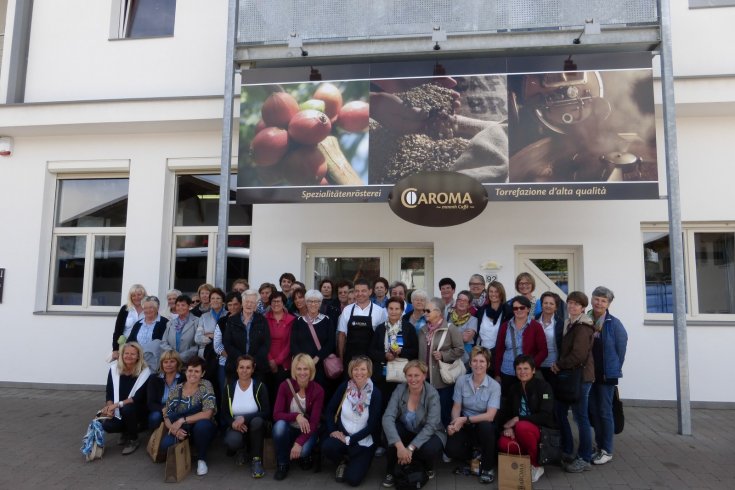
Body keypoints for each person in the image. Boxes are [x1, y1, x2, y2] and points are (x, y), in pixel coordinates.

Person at [381, 360, 445, 488]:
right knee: (387, 434)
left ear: (424, 376)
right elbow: (387, 417)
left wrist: (410, 448)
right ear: (405, 377)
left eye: (417, 375)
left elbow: (431, 426)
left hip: (430, 432)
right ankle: (391, 471)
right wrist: (399, 447)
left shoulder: (432, 394)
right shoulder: (400, 389)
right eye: (409, 375)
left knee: (428, 449)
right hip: (407, 429)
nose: (413, 379)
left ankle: (425, 466)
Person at [550, 291, 595, 473]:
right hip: (570, 376)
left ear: (583, 307)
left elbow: (579, 355)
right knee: (560, 412)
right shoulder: (570, 323)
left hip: (580, 377)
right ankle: (567, 449)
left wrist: (559, 365)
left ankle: (584, 457)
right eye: (570, 303)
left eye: (577, 304)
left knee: (580, 417)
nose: (572, 306)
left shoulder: (583, 326)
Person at [322, 357, 383, 486]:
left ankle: (359, 461)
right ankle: (342, 461)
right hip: (343, 436)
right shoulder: (345, 387)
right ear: (351, 371)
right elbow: (330, 411)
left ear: (369, 371)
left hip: (363, 441)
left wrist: (350, 439)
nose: (359, 373)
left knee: (353, 480)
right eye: (356, 369)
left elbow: (372, 426)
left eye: (363, 369)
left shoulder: (375, 393)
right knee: (327, 447)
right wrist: (333, 430)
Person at [446, 347, 501, 484]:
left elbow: (490, 416)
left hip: (483, 424)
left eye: (482, 361)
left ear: (488, 364)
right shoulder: (461, 381)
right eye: (474, 361)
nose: (478, 364)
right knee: (451, 450)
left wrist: (465, 419)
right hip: (465, 424)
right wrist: (454, 423)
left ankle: (488, 468)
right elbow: (456, 407)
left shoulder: (494, 386)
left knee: (486, 427)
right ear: (470, 363)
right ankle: (473, 457)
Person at [497, 355, 555, 484]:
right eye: (519, 369)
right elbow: (507, 413)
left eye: (526, 368)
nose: (522, 372)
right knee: (503, 443)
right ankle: (525, 459)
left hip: (541, 430)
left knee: (522, 426)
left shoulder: (544, 387)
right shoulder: (514, 389)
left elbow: (545, 415)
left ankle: (536, 465)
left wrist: (518, 419)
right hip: (520, 430)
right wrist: (509, 428)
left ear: (533, 370)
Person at [588, 286, 628, 466]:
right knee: (594, 411)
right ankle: (599, 445)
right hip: (589, 374)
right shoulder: (585, 319)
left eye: (603, 301)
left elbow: (621, 350)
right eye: (597, 299)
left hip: (606, 375)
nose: (599, 303)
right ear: (592, 299)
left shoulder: (614, 324)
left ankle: (608, 449)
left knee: (605, 412)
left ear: (609, 304)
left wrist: (613, 369)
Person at [161, 357, 218, 476]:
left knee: (202, 426)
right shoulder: (176, 389)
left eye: (197, 371)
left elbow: (207, 414)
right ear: (186, 372)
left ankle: (202, 459)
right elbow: (167, 415)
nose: (192, 374)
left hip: (200, 425)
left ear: (202, 373)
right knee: (166, 446)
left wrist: (183, 420)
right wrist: (174, 430)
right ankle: (189, 447)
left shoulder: (206, 386)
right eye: (190, 370)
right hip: (182, 428)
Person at [272, 353, 325, 481]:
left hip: (308, 430)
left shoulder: (318, 390)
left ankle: (304, 455)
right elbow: (276, 414)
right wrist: (297, 416)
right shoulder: (285, 386)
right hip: (288, 428)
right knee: (279, 426)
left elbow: (313, 423)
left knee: (303, 450)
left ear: (311, 370)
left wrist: (299, 443)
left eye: (305, 369)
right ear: (294, 370)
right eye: (299, 369)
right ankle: (283, 464)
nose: (302, 373)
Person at [418, 297, 464, 426]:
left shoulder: (450, 329)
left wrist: (443, 355)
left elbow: (460, 350)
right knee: (427, 413)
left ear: (438, 312)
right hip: (425, 380)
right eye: (424, 310)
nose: (424, 313)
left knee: (443, 413)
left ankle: (445, 439)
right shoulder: (423, 330)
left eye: (428, 311)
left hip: (442, 381)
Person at [369, 297, 419, 413]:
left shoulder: (408, 328)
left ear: (402, 311)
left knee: (400, 407)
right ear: (387, 310)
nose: (393, 311)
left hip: (401, 375)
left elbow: (415, 351)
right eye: (391, 308)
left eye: (397, 309)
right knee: (382, 406)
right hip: (382, 375)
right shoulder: (381, 328)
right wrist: (384, 355)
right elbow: (371, 351)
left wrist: (401, 352)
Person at [222, 355, 270, 478]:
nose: (244, 370)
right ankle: (241, 450)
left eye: (248, 367)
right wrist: (232, 423)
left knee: (257, 421)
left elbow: (266, 412)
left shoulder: (259, 386)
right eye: (241, 367)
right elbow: (225, 413)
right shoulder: (229, 388)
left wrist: (244, 418)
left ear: (253, 369)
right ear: (237, 369)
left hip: (256, 426)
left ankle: (256, 460)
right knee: (232, 441)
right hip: (237, 426)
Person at [99, 341, 151, 455]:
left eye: (133, 354)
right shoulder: (114, 369)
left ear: (138, 356)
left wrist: (117, 405)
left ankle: (133, 439)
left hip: (138, 409)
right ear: (122, 355)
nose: (129, 356)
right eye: (126, 353)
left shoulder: (145, 372)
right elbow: (109, 392)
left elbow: (138, 398)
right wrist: (109, 407)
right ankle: (126, 430)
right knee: (107, 425)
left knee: (127, 409)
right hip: (119, 408)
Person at [494, 295, 548, 393]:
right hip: (507, 371)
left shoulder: (536, 327)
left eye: (522, 307)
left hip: (526, 373)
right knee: (508, 402)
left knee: (528, 402)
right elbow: (499, 350)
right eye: (515, 308)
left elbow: (543, 351)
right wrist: (497, 373)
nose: (518, 310)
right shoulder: (505, 326)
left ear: (528, 309)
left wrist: (531, 366)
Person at [290, 289, 336, 390]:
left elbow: (330, 343)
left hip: (320, 365)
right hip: (302, 367)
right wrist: (303, 360)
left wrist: (317, 358)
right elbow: (293, 343)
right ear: (306, 303)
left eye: (316, 301)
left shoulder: (327, 321)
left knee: (319, 393)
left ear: (320, 303)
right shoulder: (298, 321)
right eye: (310, 301)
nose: (313, 304)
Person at [338, 279, 387, 369]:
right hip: (350, 359)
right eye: (357, 291)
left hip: (371, 360)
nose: (360, 294)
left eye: (363, 291)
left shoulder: (379, 311)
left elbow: (383, 337)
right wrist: (341, 358)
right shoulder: (347, 310)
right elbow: (342, 335)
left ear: (370, 291)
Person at [223, 290, 271, 381]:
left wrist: (252, 360)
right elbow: (227, 343)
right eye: (247, 302)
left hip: (257, 367)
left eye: (252, 302)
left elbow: (266, 344)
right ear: (242, 303)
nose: (249, 305)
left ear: (256, 305)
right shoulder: (232, 320)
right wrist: (241, 360)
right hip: (235, 366)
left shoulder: (262, 320)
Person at [265, 291, 296, 407]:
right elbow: (263, 341)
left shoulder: (292, 320)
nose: (276, 304)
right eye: (273, 301)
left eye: (279, 301)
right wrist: (270, 360)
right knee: (267, 393)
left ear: (284, 303)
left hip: (284, 364)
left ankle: (279, 418)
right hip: (266, 362)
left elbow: (290, 343)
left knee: (281, 394)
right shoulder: (264, 319)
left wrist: (277, 361)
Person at [476, 281, 512, 377]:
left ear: (501, 293)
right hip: (482, 353)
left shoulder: (508, 311)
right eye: (491, 291)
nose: (493, 294)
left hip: (500, 354)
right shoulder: (481, 311)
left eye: (496, 291)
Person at [127, 295, 168, 370]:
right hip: (137, 361)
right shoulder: (138, 324)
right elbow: (130, 341)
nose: (148, 310)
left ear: (157, 308)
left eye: (151, 307)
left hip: (155, 363)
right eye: (145, 308)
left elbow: (165, 343)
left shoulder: (165, 323)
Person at [146, 350, 183, 430]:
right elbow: (151, 403)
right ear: (162, 364)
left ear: (178, 363)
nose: (168, 365)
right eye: (165, 362)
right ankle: (155, 438)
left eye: (172, 361)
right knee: (155, 416)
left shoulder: (183, 378)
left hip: (177, 410)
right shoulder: (154, 378)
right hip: (160, 410)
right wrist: (163, 409)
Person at [111, 283, 147, 359]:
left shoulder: (148, 308)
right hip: (126, 347)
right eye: (133, 295)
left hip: (144, 348)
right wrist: (115, 350)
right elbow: (117, 331)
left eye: (139, 295)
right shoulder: (125, 309)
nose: (136, 297)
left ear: (144, 295)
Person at [536, 291, 565, 383]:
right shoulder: (534, 321)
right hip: (536, 364)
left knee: (549, 393)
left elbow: (563, 346)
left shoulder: (561, 323)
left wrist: (559, 363)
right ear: (541, 304)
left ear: (556, 307)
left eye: (551, 303)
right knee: (539, 393)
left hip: (553, 366)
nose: (548, 305)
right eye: (545, 303)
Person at [160, 295, 199, 363]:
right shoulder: (170, 323)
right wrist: (173, 356)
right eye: (178, 305)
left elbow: (197, 345)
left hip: (189, 362)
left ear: (189, 306)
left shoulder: (197, 321)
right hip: (172, 362)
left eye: (183, 305)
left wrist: (181, 357)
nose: (180, 307)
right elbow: (164, 343)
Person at [448, 290, 478, 367]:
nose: (461, 302)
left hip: (465, 358)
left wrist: (450, 335)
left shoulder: (473, 320)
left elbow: (466, 338)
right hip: (449, 357)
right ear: (456, 302)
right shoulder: (448, 317)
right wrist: (461, 334)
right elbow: (443, 336)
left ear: (469, 305)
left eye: (465, 301)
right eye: (459, 300)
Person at [195, 287, 227, 360]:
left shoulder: (228, 315)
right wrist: (218, 337)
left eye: (218, 298)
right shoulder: (203, 317)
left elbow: (229, 338)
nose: (215, 301)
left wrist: (213, 335)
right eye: (212, 298)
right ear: (210, 301)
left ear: (223, 301)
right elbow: (197, 338)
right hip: (206, 355)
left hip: (224, 355)